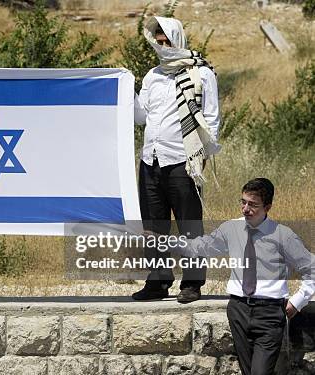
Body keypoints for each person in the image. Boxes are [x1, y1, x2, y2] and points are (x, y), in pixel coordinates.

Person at [168, 178, 314, 375]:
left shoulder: (283, 235)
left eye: (252, 204)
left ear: (268, 207)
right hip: (238, 310)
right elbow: (200, 247)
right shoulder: (231, 229)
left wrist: (298, 300)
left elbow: (311, 269)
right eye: (243, 202)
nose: (245, 209)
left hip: (270, 314)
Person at [133, 16, 221, 303]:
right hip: (151, 160)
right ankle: (157, 282)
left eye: (166, 41)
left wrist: (203, 157)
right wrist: (124, 90)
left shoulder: (201, 74)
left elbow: (211, 118)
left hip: (184, 161)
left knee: (189, 225)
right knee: (153, 225)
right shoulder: (152, 76)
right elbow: (140, 117)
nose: (162, 46)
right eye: (157, 42)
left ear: (177, 39)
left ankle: (192, 284)